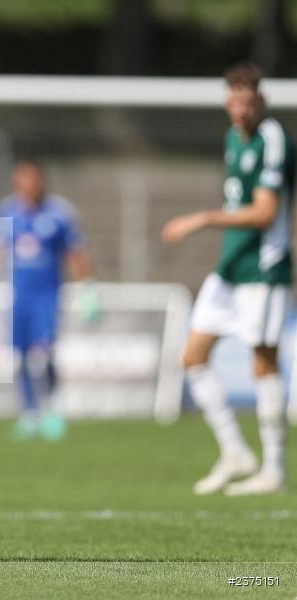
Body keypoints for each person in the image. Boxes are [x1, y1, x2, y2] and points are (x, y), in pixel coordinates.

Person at [162, 62, 293, 496]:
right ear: (226, 101)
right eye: (234, 102)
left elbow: (265, 212)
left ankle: (273, 468)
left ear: (261, 102)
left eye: (247, 102)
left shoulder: (273, 140)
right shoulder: (231, 139)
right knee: (193, 356)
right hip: (230, 267)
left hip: (264, 268)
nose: (240, 110)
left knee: (263, 360)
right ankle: (235, 451)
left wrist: (202, 218)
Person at [0, 160, 97, 441]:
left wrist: (87, 287)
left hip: (47, 297)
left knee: (42, 354)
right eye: (23, 181)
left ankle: (51, 409)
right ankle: (29, 413)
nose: (29, 186)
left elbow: (75, 252)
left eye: (33, 180)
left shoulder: (59, 213)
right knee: (20, 357)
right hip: (18, 297)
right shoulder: (7, 211)